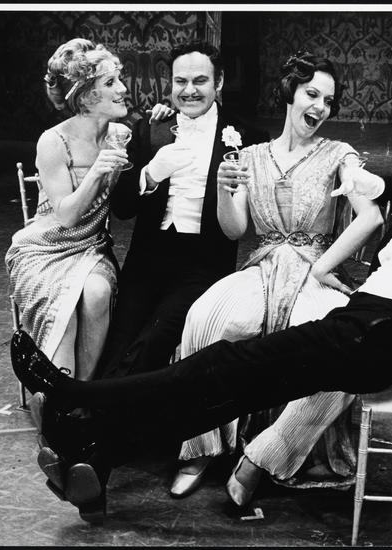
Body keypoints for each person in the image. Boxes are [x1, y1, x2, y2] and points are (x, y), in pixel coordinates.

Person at [10, 113, 392, 524]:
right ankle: (96, 455)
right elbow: (381, 190)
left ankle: (75, 398)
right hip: (361, 321)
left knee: (229, 366)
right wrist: (370, 185)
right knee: (228, 384)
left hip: (386, 335)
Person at [170, 52, 383, 500]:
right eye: (312, 94)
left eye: (328, 100)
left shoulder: (338, 154)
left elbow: (371, 217)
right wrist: (225, 190)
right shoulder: (251, 156)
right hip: (264, 267)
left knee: (342, 346)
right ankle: (201, 447)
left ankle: (265, 454)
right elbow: (235, 229)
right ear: (290, 93)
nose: (320, 107)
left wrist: (322, 265)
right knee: (205, 317)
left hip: (315, 271)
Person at [94, 40, 269, 380]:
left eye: (200, 81)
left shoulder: (248, 137)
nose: (189, 91)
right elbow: (123, 209)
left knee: (154, 340)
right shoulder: (150, 128)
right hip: (148, 257)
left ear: (218, 82)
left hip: (204, 262)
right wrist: (149, 175)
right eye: (180, 81)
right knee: (120, 337)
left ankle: (93, 403)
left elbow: (243, 222)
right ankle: (98, 403)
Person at [5, 38, 130, 391]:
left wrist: (164, 114)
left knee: (97, 292)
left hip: (90, 248)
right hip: (45, 249)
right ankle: (57, 396)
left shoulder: (121, 135)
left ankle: (81, 394)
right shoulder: (53, 142)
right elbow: (65, 217)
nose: (123, 89)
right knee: (64, 305)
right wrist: (96, 171)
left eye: (119, 79)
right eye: (111, 82)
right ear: (86, 97)